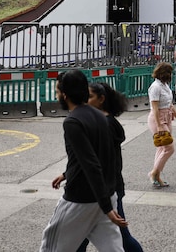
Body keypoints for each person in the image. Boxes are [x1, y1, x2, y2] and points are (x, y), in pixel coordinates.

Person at [40, 70, 126, 252]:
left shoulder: (72, 122)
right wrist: (107, 200)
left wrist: (106, 205)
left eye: (57, 92)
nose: (57, 96)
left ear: (64, 94)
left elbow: (90, 163)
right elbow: (105, 158)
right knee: (113, 249)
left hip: (80, 199)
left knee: (51, 247)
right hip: (106, 194)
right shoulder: (100, 116)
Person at [73, 82, 143, 252]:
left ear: (101, 99)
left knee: (121, 237)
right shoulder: (102, 121)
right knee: (79, 237)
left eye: (89, 97)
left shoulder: (105, 124)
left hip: (107, 189)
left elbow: (97, 160)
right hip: (100, 188)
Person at [147, 62, 176, 188]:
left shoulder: (165, 85)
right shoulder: (155, 87)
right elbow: (155, 108)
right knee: (169, 148)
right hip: (158, 119)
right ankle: (154, 173)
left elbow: (170, 105)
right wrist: (159, 126)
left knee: (162, 148)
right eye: (169, 73)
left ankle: (157, 175)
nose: (171, 75)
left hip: (167, 117)